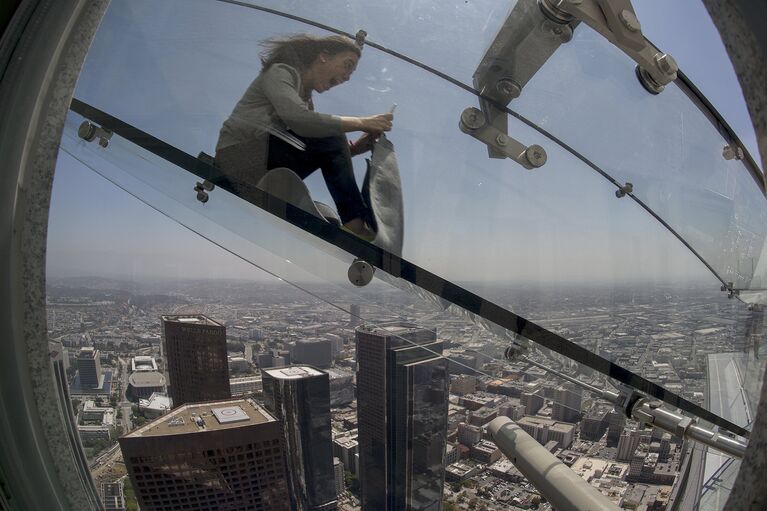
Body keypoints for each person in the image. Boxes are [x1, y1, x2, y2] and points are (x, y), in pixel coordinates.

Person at [214, 34, 394, 240]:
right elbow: (300, 119)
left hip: (259, 165)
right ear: (324, 56)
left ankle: (352, 223)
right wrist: (362, 123)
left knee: (328, 133)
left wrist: (353, 150)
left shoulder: (305, 98)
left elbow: (318, 149)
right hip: (234, 163)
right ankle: (355, 225)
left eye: (350, 73)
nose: (347, 77)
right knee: (328, 130)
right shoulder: (280, 72)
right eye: (347, 65)